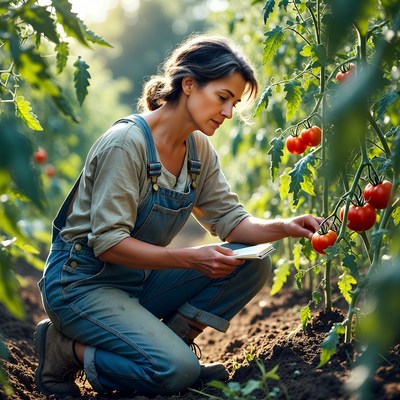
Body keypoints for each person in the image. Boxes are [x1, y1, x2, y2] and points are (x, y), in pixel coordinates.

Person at [34, 33, 322, 397]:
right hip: (82, 283)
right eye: (223, 98)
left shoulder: (198, 148)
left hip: (134, 281)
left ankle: (165, 346)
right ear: (188, 84)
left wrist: (285, 227)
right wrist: (190, 258)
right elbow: (108, 244)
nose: (229, 113)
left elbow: (231, 221)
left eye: (233, 103)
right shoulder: (127, 144)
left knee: (250, 264)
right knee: (174, 372)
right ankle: (66, 349)